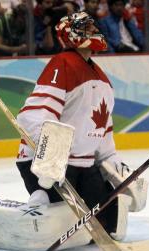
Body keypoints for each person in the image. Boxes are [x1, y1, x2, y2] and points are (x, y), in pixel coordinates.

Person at [16, 11, 126, 236]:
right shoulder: (62, 63)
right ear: (71, 34)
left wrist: (114, 165)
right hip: (48, 166)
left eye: (92, 26)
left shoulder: (102, 79)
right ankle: (39, 200)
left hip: (82, 165)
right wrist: (51, 160)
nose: (94, 30)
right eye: (86, 27)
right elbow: (35, 115)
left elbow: (102, 130)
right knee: (56, 218)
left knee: (110, 221)